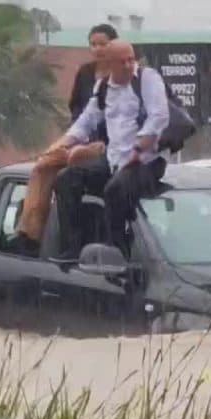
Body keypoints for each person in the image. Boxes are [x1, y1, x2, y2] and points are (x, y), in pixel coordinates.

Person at [52, 39, 170, 258]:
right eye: (121, 62)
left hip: (145, 161)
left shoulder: (147, 79)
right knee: (66, 179)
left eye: (131, 59)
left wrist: (139, 148)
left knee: (114, 191)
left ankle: (117, 253)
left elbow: (159, 117)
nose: (128, 65)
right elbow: (87, 120)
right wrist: (64, 143)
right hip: (114, 159)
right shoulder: (103, 87)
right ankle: (72, 248)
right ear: (109, 64)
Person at [11, 24, 118, 257]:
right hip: (80, 139)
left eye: (103, 44)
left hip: (105, 147)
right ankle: (30, 233)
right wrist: (65, 143)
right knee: (43, 164)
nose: (98, 49)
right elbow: (79, 113)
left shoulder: (123, 77)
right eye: (93, 44)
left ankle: (70, 244)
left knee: (67, 172)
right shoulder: (86, 73)